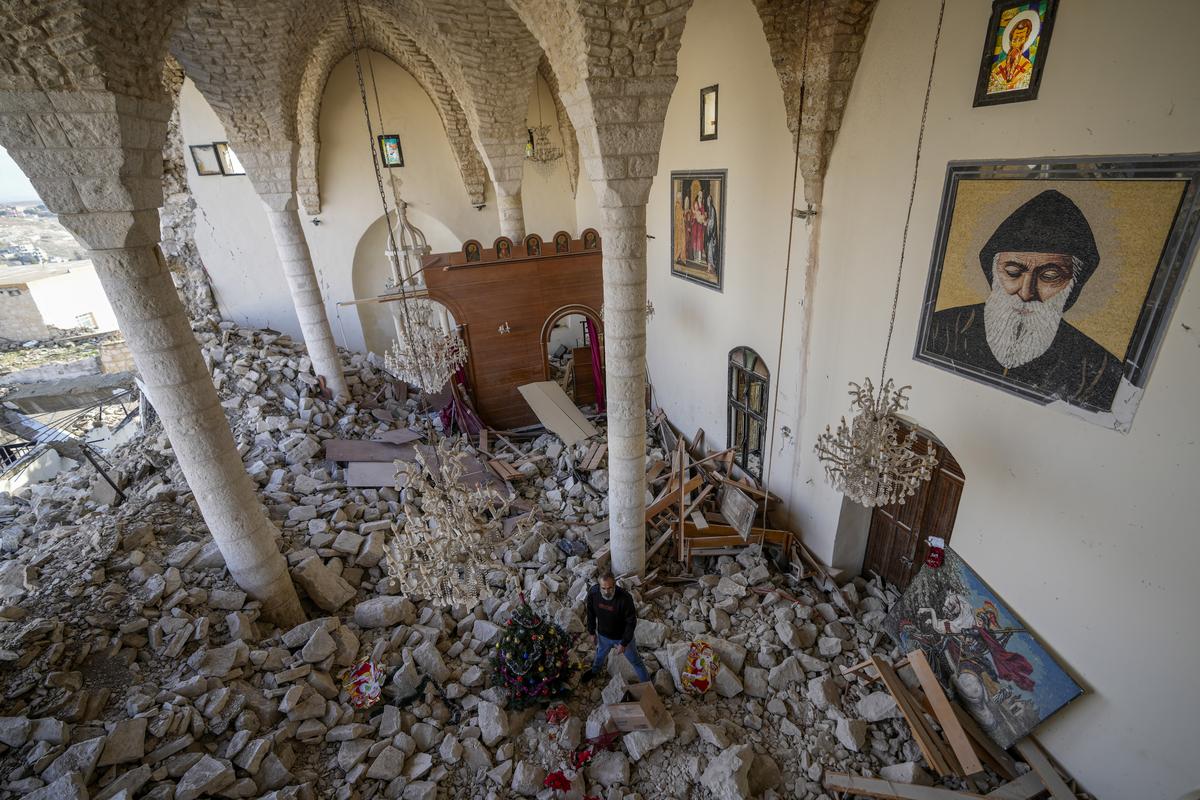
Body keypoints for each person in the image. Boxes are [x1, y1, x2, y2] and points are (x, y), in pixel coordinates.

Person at [923, 189, 1124, 412]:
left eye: (1049, 277)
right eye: (1012, 272)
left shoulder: (1099, 369)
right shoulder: (939, 328)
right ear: (994, 273)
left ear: (1072, 285)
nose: (1026, 292)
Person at [583, 569, 650, 682]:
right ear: (599, 586)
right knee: (599, 656)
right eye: (603, 588)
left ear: (614, 584)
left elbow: (631, 622)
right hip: (603, 635)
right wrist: (591, 631)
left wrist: (624, 643)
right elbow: (590, 612)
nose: (606, 592)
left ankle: (648, 684)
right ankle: (594, 671)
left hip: (622, 637)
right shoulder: (594, 593)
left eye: (609, 588)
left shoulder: (625, 598)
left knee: (636, 661)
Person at [988, 17, 1035, 93]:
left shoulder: (1028, 67)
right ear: (1010, 41)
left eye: (1021, 39)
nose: (1017, 44)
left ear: (1026, 39)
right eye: (1014, 39)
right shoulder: (998, 69)